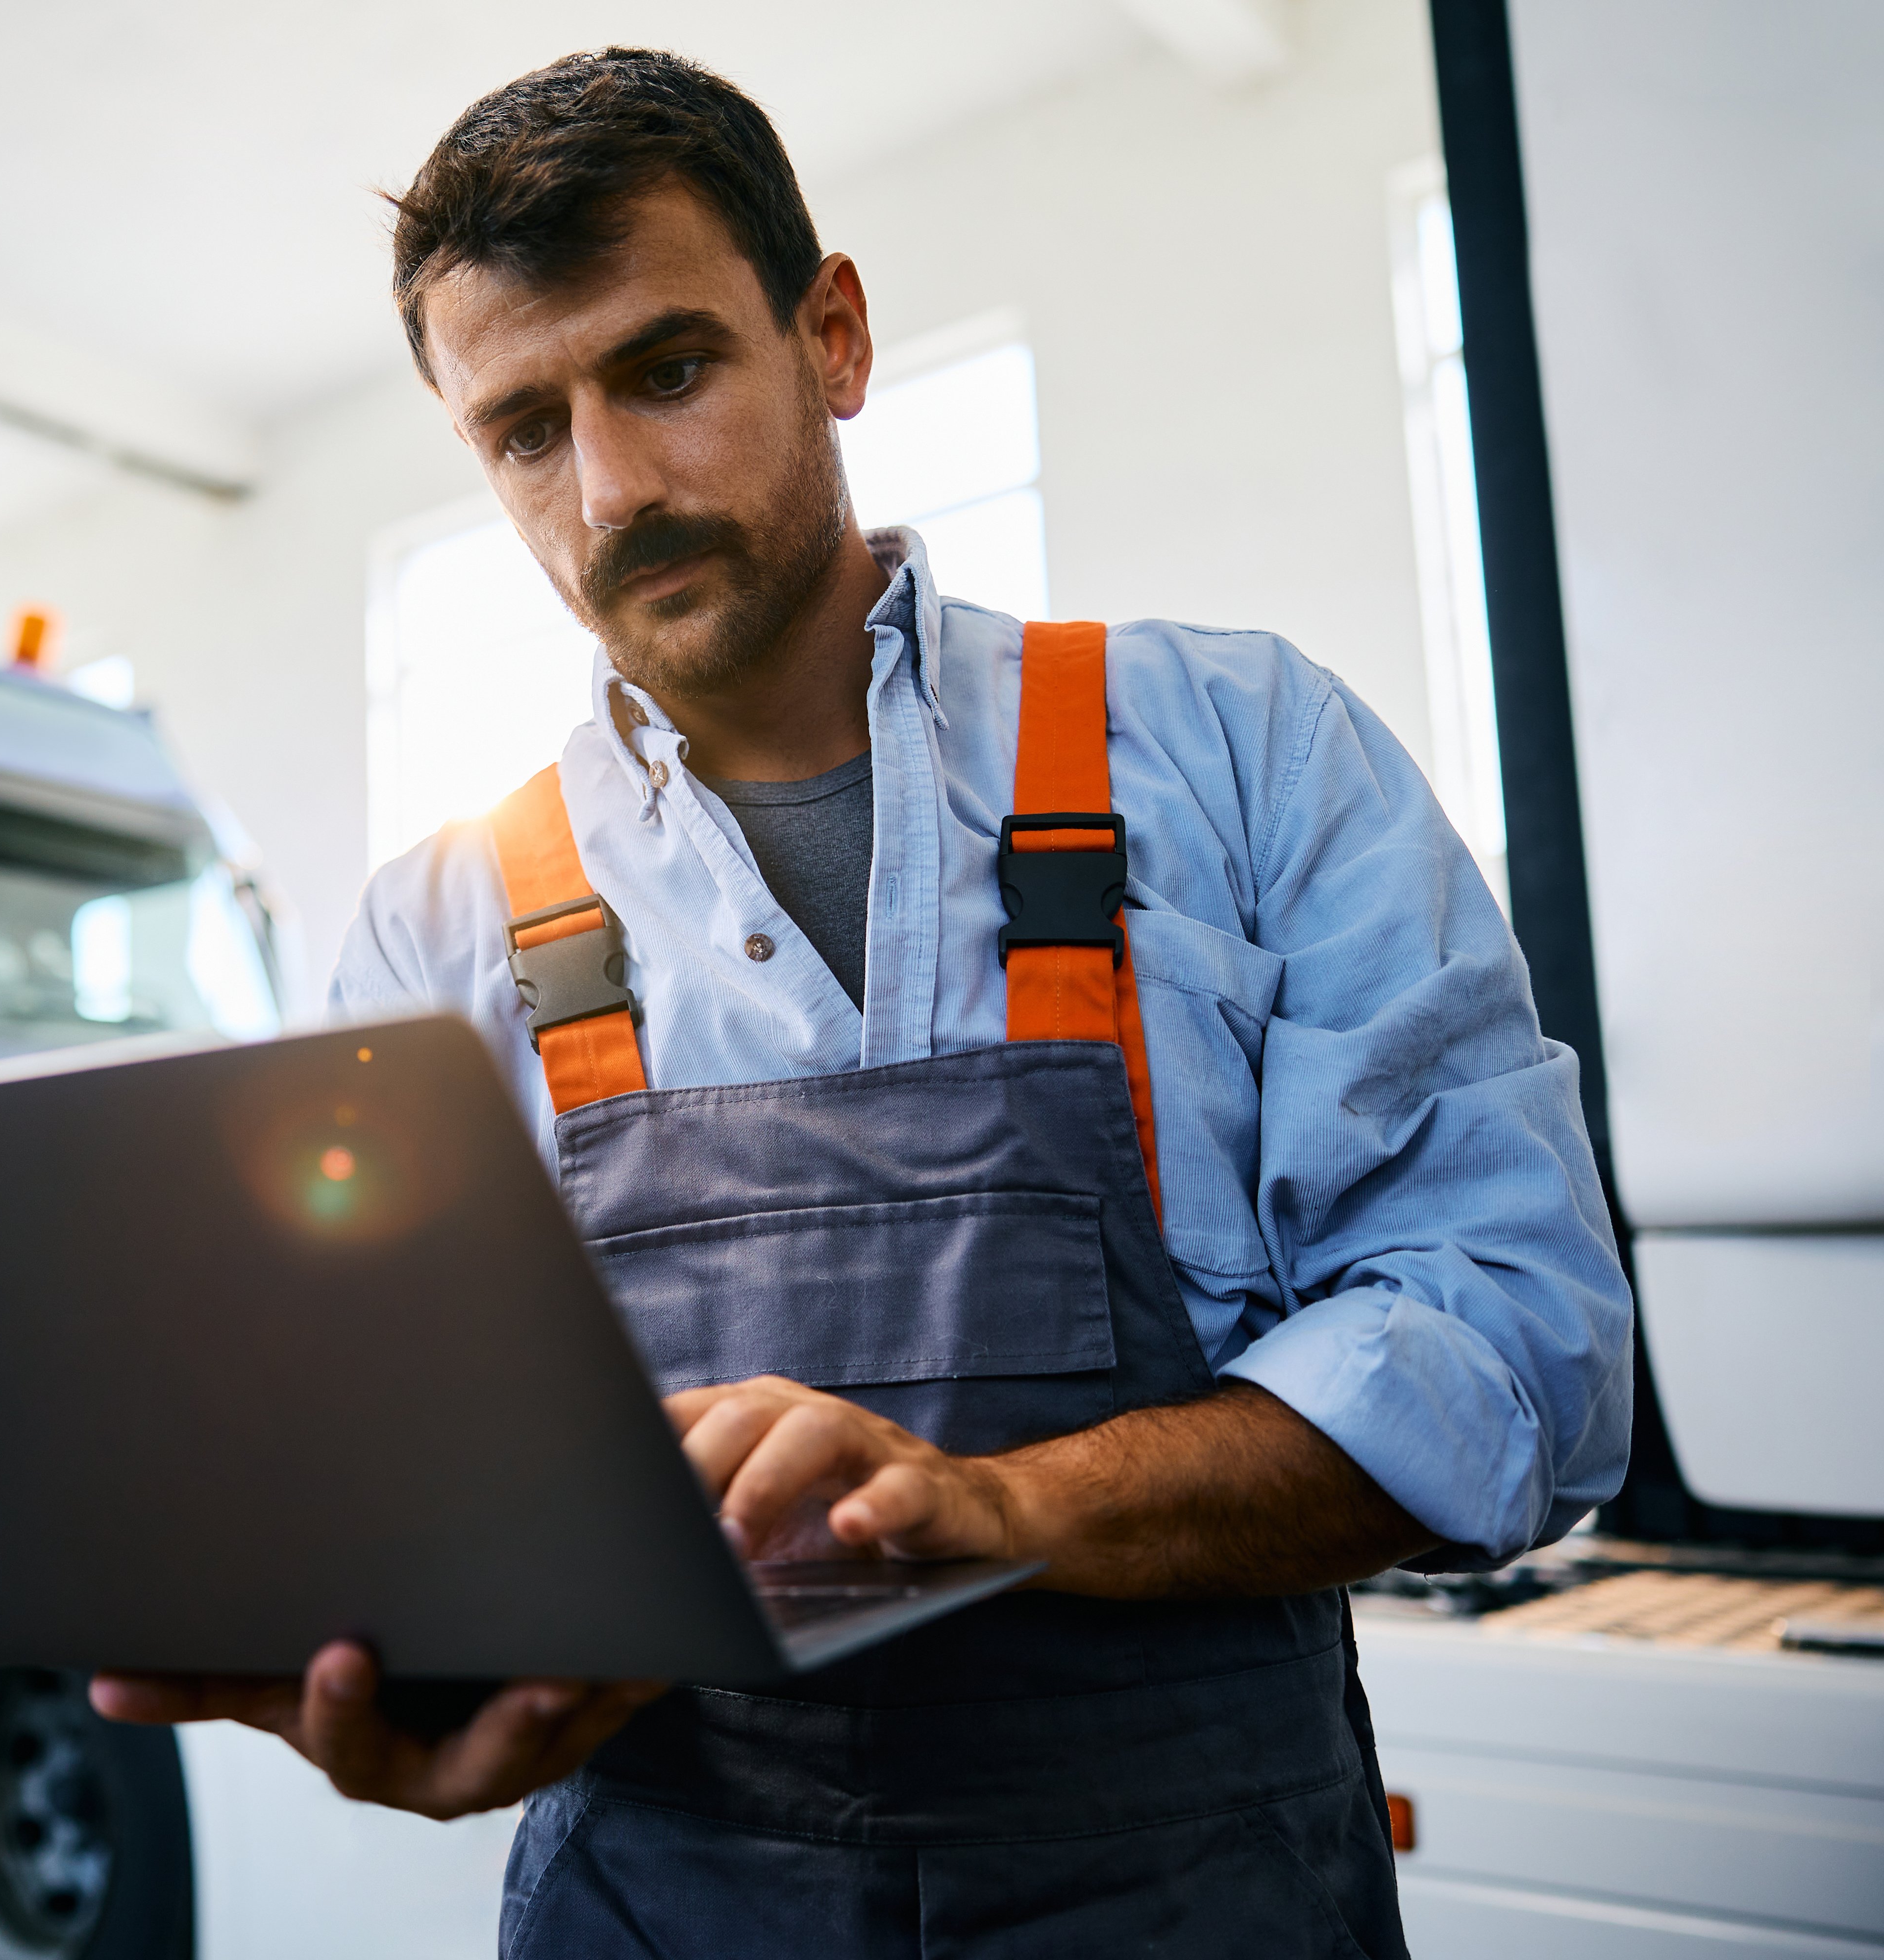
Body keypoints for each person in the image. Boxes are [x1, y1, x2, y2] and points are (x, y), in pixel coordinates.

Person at [93, 46, 1631, 1955]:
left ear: (832, 334)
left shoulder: (1239, 751)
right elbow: (387, 1477)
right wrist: (417, 1687)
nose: (616, 487)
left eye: (667, 369)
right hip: (659, 1899)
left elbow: (1520, 1347)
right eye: (524, 428)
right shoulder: (436, 938)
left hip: (1198, 1894)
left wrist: (992, 1504)